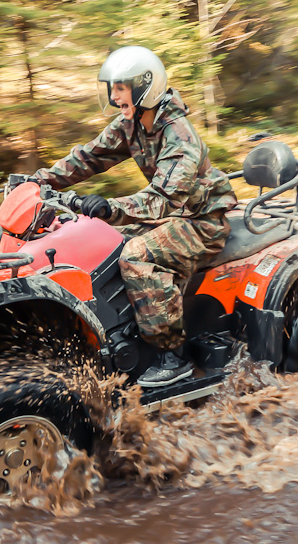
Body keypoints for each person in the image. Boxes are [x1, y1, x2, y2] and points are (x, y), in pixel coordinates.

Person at [28, 46, 237, 388]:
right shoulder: (132, 123)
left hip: (201, 221)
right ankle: (121, 335)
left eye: (120, 88)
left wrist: (110, 208)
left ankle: (173, 356)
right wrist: (39, 180)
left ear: (145, 87)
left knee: (136, 257)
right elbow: (88, 157)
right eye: (112, 88)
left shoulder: (178, 134)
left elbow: (164, 198)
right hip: (169, 217)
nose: (113, 96)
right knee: (96, 242)